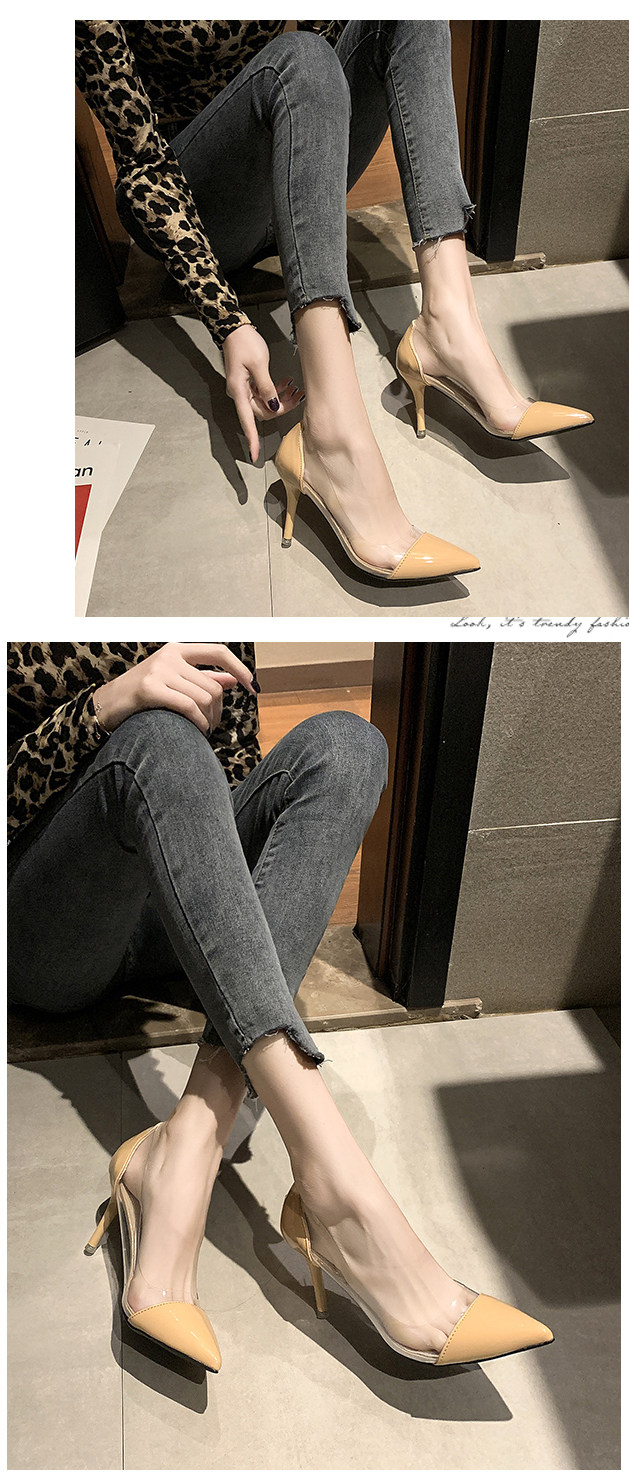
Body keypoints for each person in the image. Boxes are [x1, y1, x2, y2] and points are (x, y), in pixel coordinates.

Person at [7, 641, 553, 1371]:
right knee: (158, 736)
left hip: (170, 905)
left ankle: (185, 1147)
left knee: (348, 746)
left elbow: (229, 770)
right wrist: (107, 706)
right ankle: (340, 1189)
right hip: (53, 923)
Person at [75, 20, 593, 585]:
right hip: (199, 201)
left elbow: (330, 47)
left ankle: (449, 327)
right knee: (301, 59)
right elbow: (143, 168)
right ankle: (332, 438)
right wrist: (226, 319)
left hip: (293, 161)